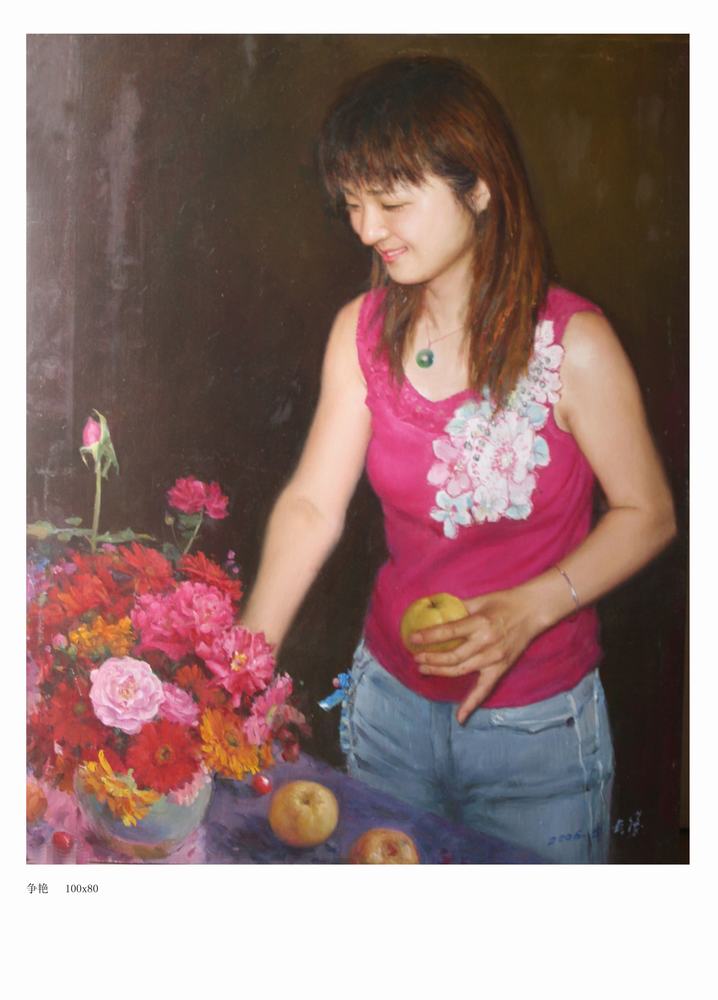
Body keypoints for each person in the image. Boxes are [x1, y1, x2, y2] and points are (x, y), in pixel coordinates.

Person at [241, 55, 676, 863]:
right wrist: (241, 669)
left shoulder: (574, 344)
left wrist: (531, 608)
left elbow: (649, 514)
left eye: (391, 202)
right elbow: (311, 506)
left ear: (478, 187)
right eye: (354, 204)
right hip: (386, 711)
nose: (366, 229)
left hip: (537, 734)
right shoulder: (361, 331)